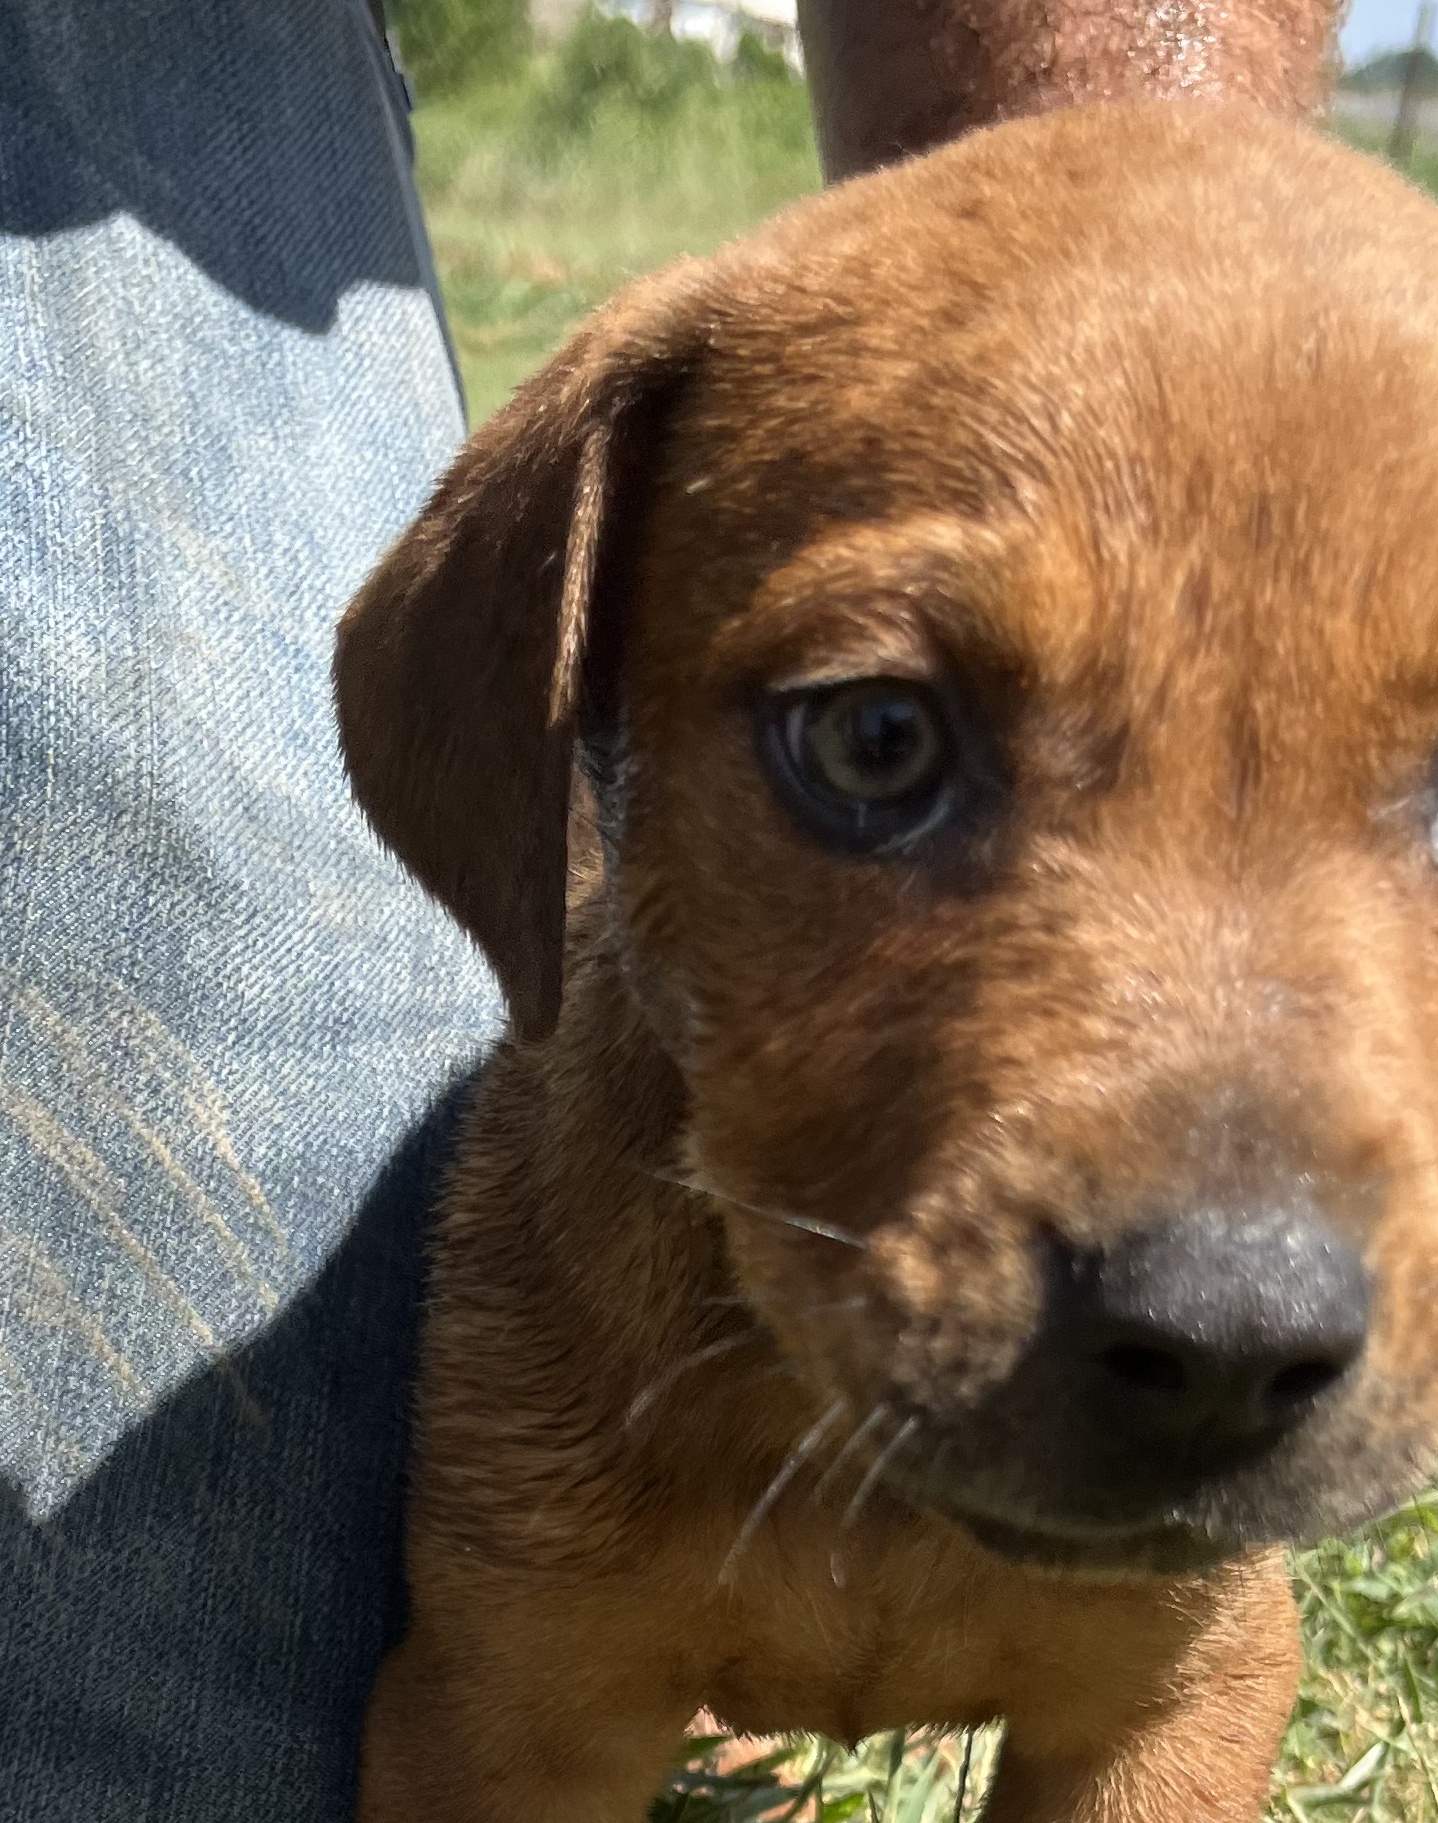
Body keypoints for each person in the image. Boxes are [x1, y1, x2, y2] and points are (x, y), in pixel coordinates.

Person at [0, 3, 1334, 1816]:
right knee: (178, 1714)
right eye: (879, 742)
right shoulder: (548, 1342)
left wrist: (1133, 301)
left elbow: (1175, 1707)